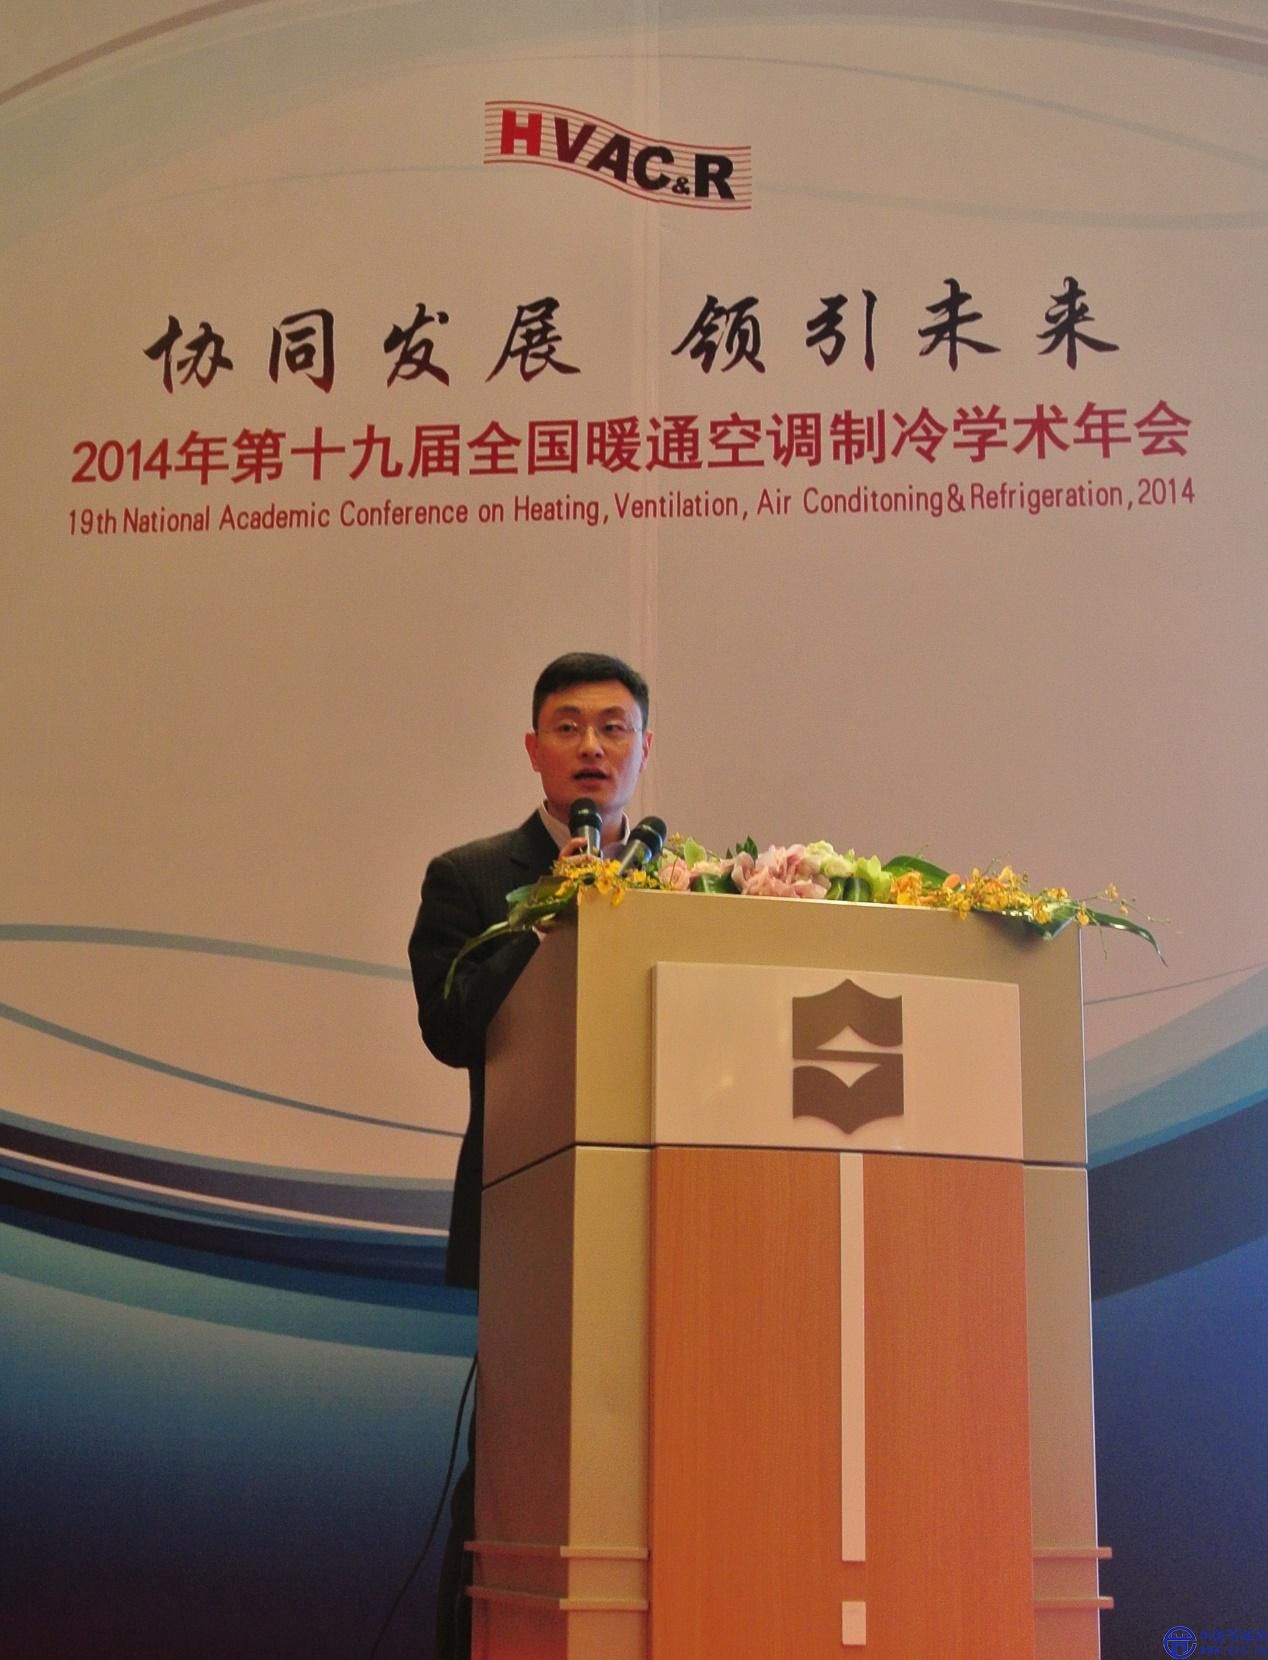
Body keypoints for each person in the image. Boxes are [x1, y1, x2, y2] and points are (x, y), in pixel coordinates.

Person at [408, 650, 653, 1659]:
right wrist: (552, 905)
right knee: (513, 1476)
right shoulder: (469, 877)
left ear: (642, 749)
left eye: (612, 727)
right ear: (533, 748)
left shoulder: (679, 880)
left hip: (657, 1214)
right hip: (528, 1213)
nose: (592, 746)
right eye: (569, 726)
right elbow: (450, 1027)